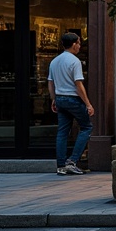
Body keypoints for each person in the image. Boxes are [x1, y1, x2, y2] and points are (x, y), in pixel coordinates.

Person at [47, 31, 94, 175]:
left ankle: (61, 165)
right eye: (79, 43)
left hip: (60, 98)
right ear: (74, 44)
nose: (80, 46)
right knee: (86, 127)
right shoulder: (74, 61)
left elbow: (50, 82)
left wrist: (54, 99)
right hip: (72, 99)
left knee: (62, 132)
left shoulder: (54, 61)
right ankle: (72, 161)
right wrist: (88, 104)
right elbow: (78, 85)